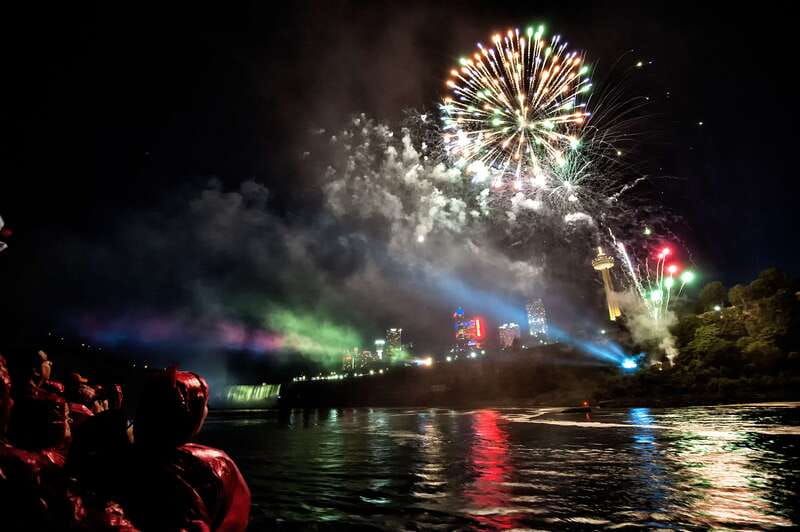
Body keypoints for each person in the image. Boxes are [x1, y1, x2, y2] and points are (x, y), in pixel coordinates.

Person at [125, 369, 250, 531]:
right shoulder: (214, 465)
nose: (207, 410)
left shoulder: (117, 458)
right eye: (204, 405)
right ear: (191, 413)